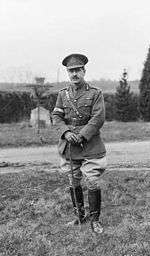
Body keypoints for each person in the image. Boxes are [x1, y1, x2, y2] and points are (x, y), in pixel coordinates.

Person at [52, 53, 107, 234]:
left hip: (90, 144)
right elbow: (57, 116)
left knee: (92, 182)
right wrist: (66, 132)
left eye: (77, 70)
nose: (74, 74)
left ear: (84, 71)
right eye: (71, 71)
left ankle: (95, 220)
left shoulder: (95, 93)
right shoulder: (63, 95)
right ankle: (79, 216)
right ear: (68, 73)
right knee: (73, 180)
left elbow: (98, 118)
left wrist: (82, 135)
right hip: (69, 145)